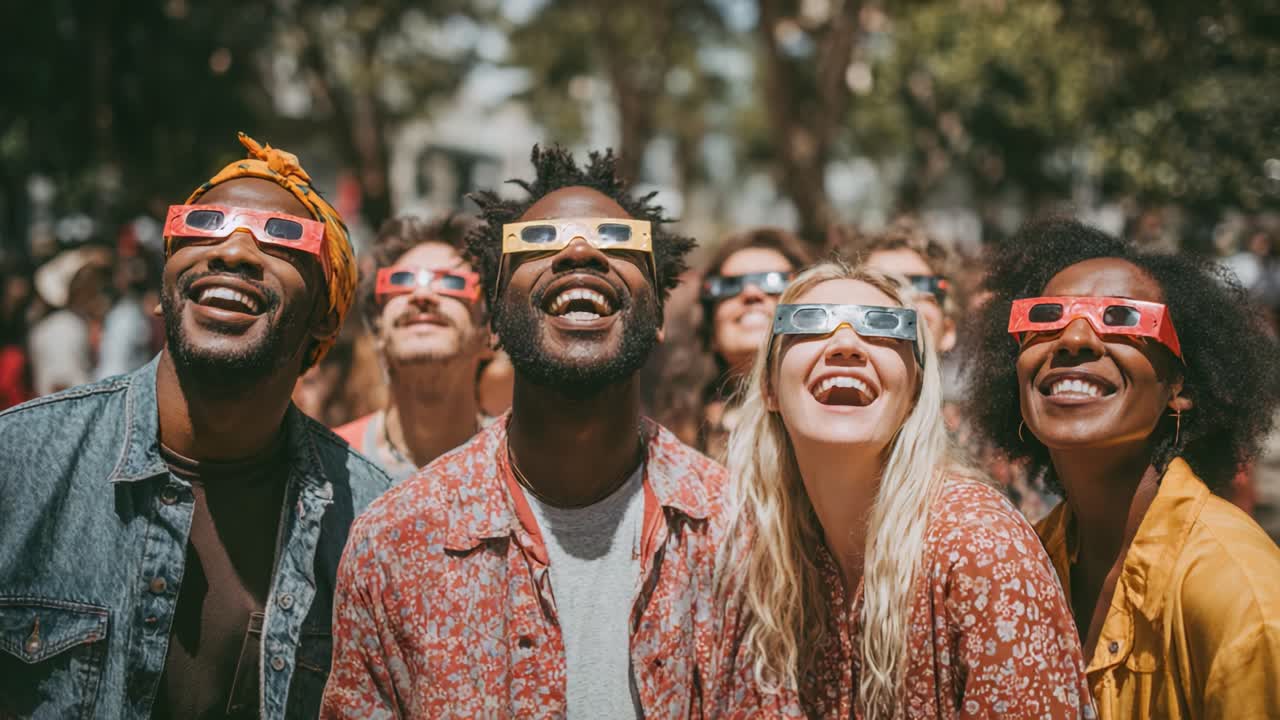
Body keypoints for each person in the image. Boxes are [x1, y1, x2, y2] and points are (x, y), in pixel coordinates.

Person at [321, 145, 726, 718]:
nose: (580, 251)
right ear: (495, 320)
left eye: (616, 240)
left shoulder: (741, 535)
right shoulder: (393, 542)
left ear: (658, 313)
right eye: (538, 242)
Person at [0, 133, 391, 719]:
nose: (232, 250)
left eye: (283, 237)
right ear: (165, 288)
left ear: (322, 318)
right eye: (202, 224)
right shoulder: (20, 460)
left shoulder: (369, 522)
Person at [711, 261, 1092, 718]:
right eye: (808, 322)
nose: (846, 344)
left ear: (914, 390)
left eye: (884, 327)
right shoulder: (754, 556)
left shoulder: (978, 548)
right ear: (770, 387)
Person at [965, 217, 1280, 719]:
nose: (1075, 339)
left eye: (1123, 318)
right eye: (1046, 317)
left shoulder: (1241, 596)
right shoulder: (1027, 562)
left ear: (1182, 389)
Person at [334, 213, 492, 480]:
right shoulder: (330, 463)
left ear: (488, 331)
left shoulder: (524, 464)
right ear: (377, 327)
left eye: (451, 282)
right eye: (401, 281)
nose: (422, 295)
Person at [652, 227, 812, 459]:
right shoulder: (669, 441)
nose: (751, 292)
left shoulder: (841, 418)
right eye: (728, 286)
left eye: (775, 281)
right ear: (711, 332)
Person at [27, 245, 114, 395]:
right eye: (87, 281)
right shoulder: (63, 327)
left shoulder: (73, 322)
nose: (96, 286)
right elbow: (63, 387)